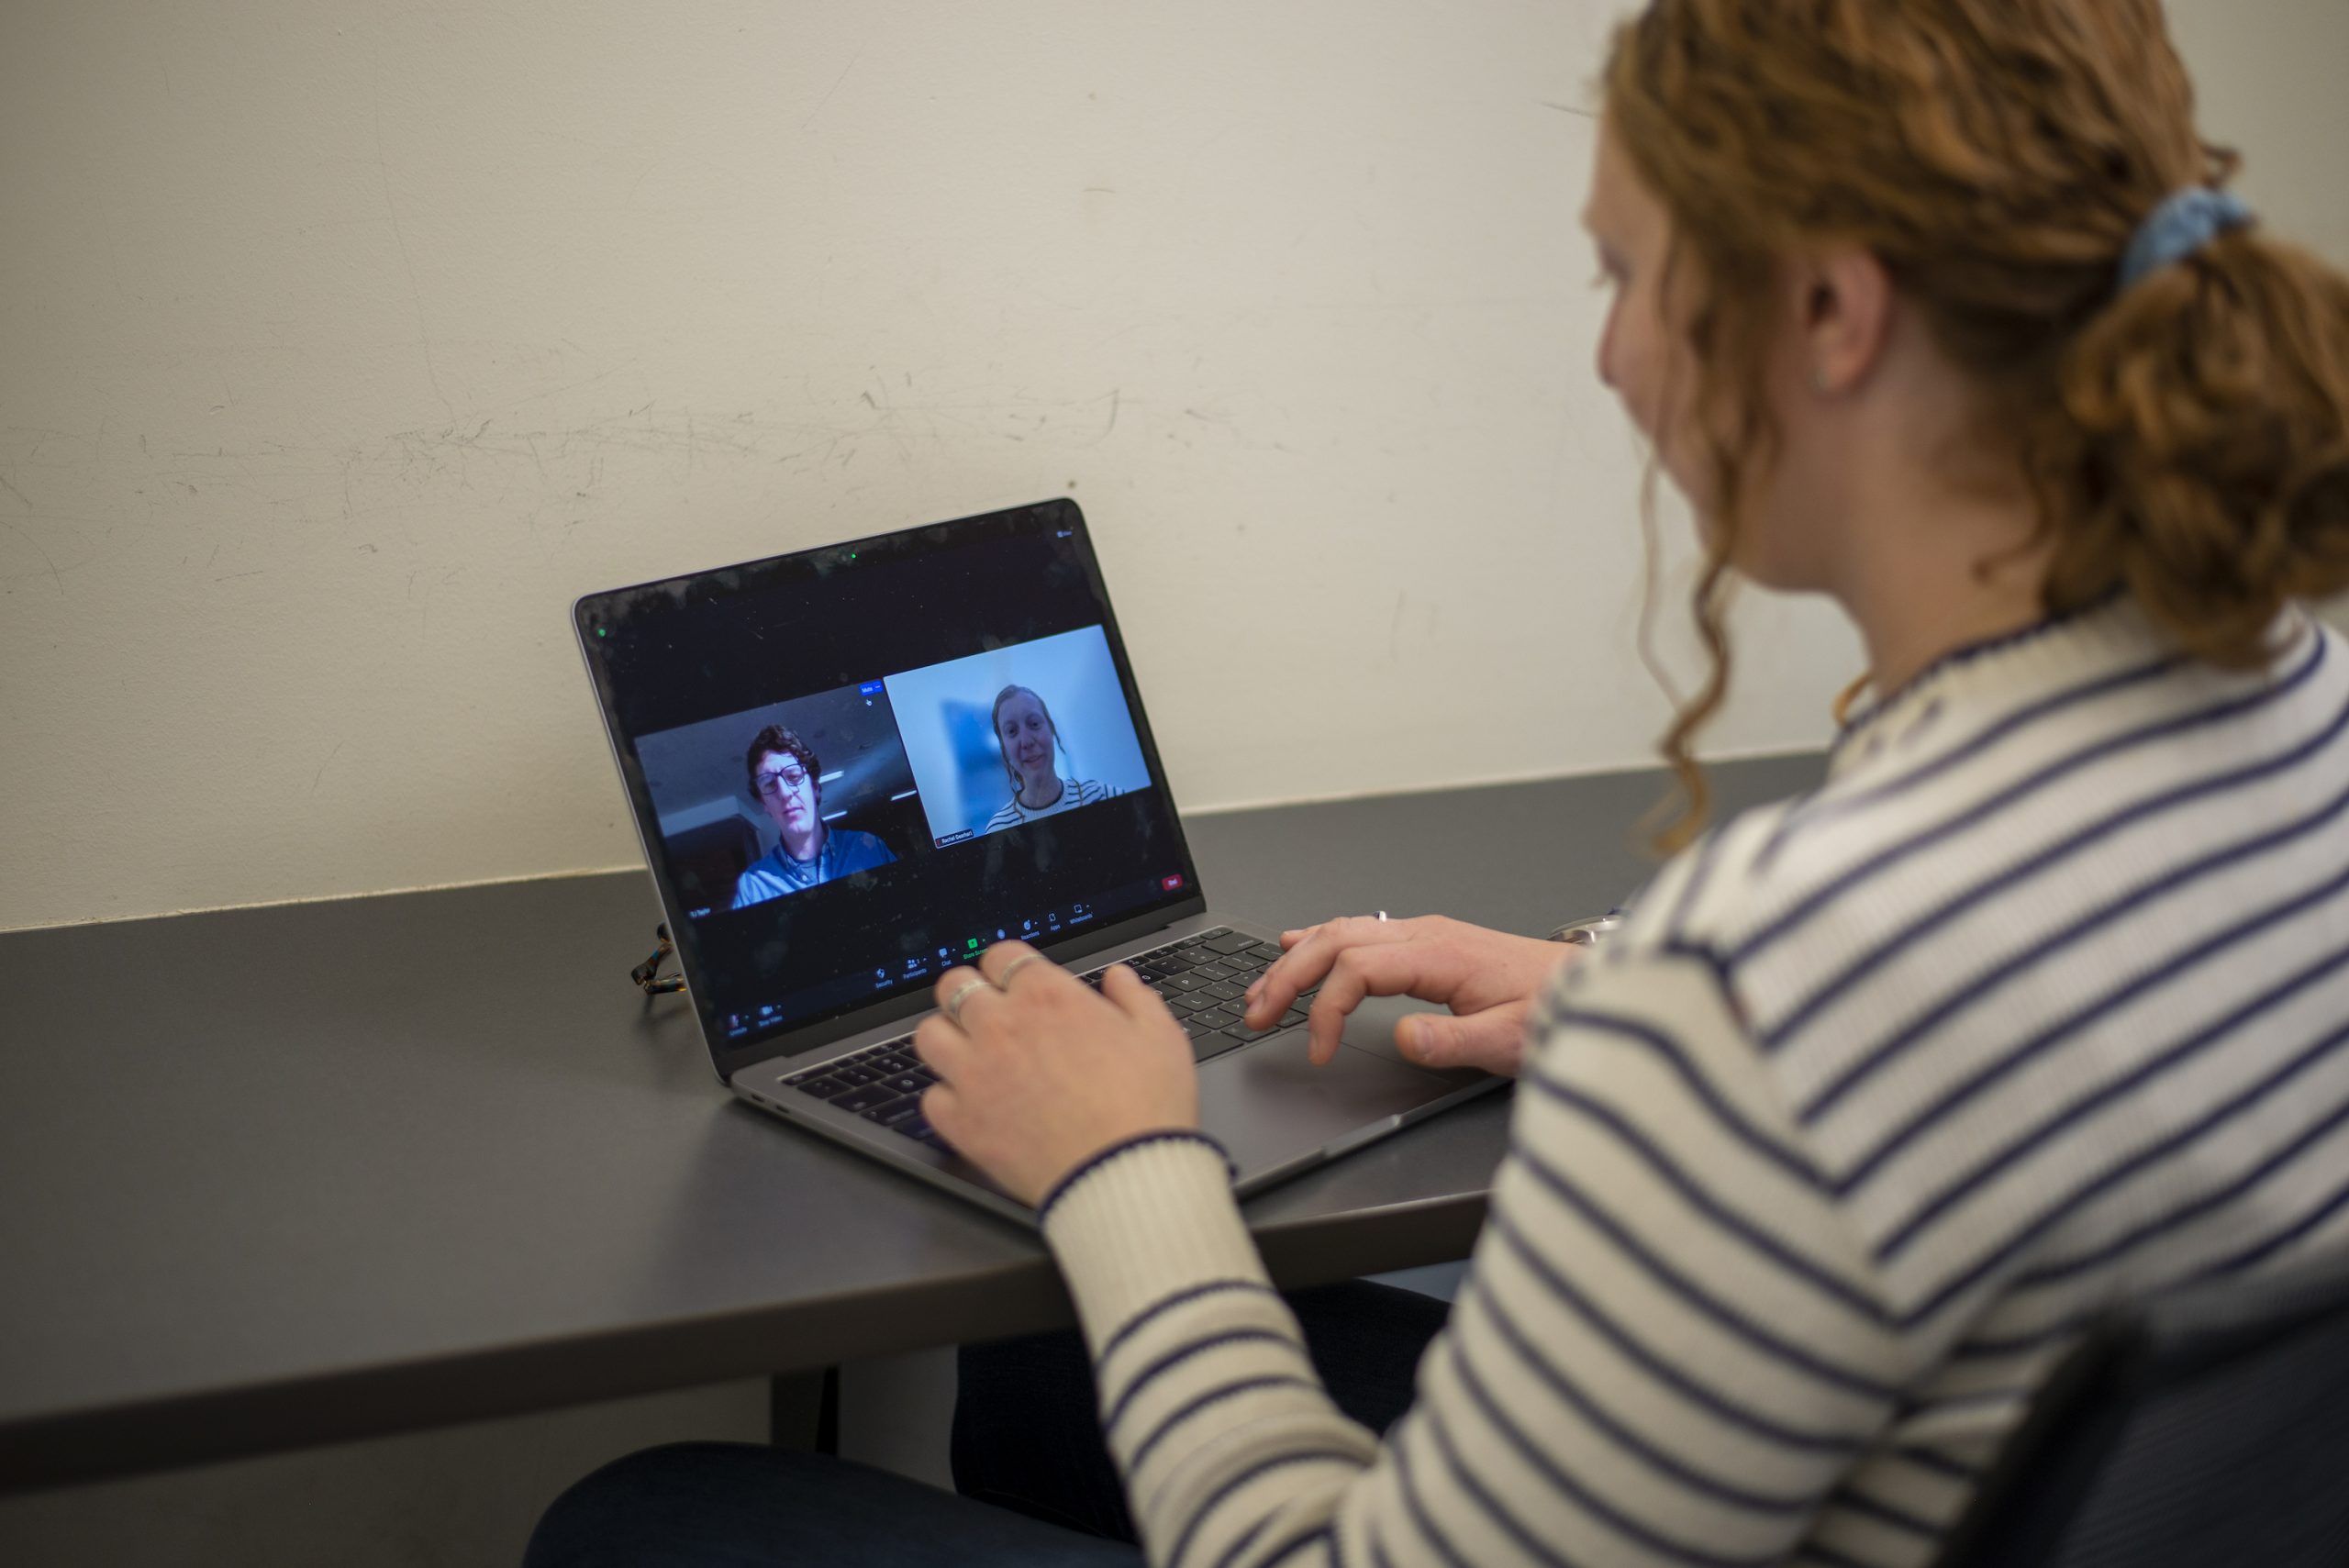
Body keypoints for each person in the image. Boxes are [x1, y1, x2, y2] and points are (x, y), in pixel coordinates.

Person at [529, 2, 2349, 1564]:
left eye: (1623, 272)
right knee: (1040, 1364)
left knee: (644, 1511)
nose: (1607, 348)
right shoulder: (2297, 705)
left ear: (1826, 311)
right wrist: (1612, 985)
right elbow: (1949, 1032)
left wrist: (1125, 1157)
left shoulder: (1779, 980)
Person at [729, 724, 895, 908]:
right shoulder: (752, 888)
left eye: (793, 776)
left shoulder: (870, 849)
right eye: (769, 783)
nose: (784, 793)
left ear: (814, 787)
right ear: (764, 805)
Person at [980, 684, 1116, 831]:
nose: (1026, 741)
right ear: (1004, 749)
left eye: (1034, 724)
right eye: (1012, 731)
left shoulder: (1101, 795)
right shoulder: (999, 828)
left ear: (1051, 729)